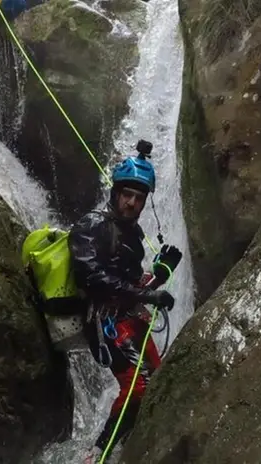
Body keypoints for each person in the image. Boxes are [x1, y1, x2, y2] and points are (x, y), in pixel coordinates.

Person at [68, 139, 183, 463]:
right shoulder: (93, 225)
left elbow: (129, 283)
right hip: (104, 321)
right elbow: (90, 275)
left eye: (139, 197)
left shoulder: (130, 234)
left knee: (156, 385)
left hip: (130, 318)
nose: (132, 203)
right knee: (138, 387)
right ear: (115, 192)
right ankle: (96, 454)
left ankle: (126, 449)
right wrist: (146, 294)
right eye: (127, 194)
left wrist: (159, 275)